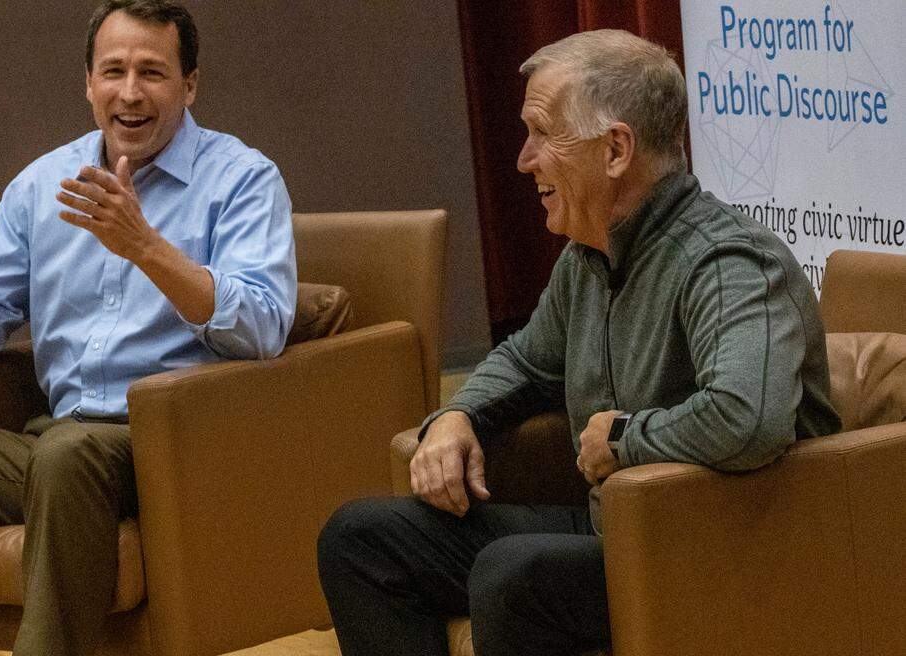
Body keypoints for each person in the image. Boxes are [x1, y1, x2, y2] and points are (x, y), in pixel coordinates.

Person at [316, 29, 840, 656]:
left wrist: (624, 437)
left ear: (616, 148)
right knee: (360, 538)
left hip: (724, 546)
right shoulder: (586, 258)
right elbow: (525, 358)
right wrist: (458, 415)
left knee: (515, 573)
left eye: (543, 133)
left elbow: (746, 418)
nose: (523, 159)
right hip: (615, 530)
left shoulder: (727, 263)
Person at [0, 2, 296, 655]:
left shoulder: (243, 179)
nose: (130, 92)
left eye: (153, 73)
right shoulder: (41, 185)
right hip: (59, 441)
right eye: (113, 71)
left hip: (172, 445)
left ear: (189, 85)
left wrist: (147, 249)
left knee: (67, 455)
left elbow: (265, 327)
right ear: (87, 83)